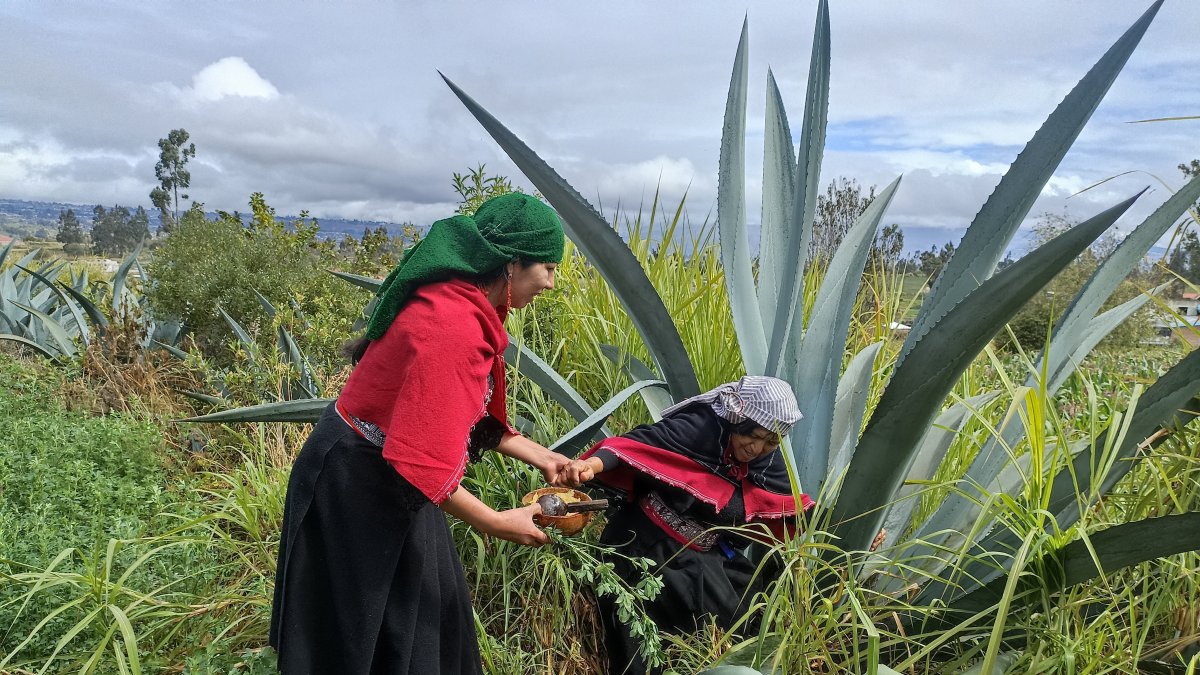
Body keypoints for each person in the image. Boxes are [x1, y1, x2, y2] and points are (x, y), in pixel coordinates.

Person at [269, 193, 575, 674]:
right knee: (359, 634)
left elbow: (452, 414)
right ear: (512, 264)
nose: (552, 284)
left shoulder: (462, 303)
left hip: (389, 472)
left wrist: (541, 456)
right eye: (549, 268)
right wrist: (496, 521)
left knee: (428, 622)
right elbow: (420, 461)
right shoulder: (451, 325)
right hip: (353, 482)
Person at [561, 376, 812, 675]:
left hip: (704, 556)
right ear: (738, 421)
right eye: (753, 436)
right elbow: (634, 447)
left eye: (771, 442)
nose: (757, 448)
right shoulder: (700, 428)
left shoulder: (766, 459)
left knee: (747, 617)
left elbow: (790, 506)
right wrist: (590, 466)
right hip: (646, 544)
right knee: (641, 636)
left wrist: (841, 527)